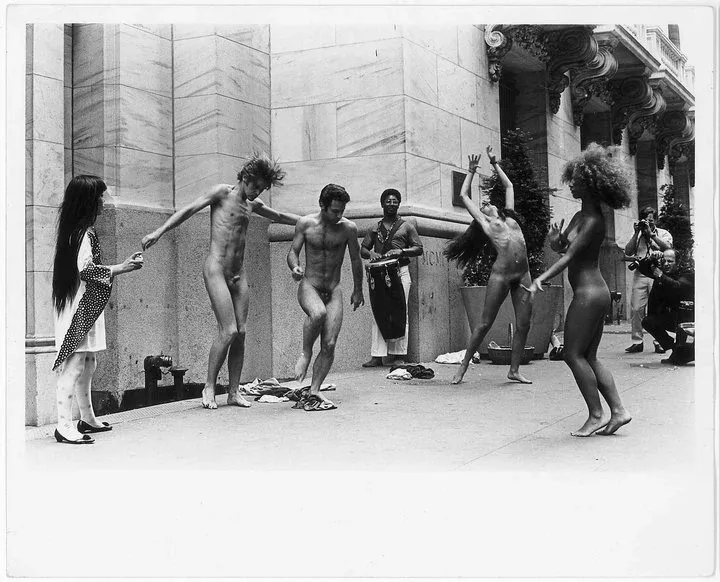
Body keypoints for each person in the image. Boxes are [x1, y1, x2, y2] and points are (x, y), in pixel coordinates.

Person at [141, 153, 299, 409]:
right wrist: (159, 231)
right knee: (228, 331)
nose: (257, 192)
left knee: (242, 332)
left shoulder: (253, 204)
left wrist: (311, 220)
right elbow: (188, 210)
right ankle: (209, 386)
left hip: (238, 273)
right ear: (246, 177)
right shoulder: (222, 193)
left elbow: (279, 216)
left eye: (261, 189)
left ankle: (234, 392)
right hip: (216, 269)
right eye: (256, 186)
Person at [523, 143, 633, 437]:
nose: (571, 184)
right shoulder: (579, 216)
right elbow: (567, 249)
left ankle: (596, 415)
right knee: (589, 356)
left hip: (589, 294)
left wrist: (540, 278)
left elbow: (570, 257)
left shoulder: (594, 220)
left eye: (577, 180)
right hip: (593, 292)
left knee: (572, 355)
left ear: (592, 184)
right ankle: (619, 411)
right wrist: (555, 241)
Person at [52, 175, 144, 444]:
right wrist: (121, 267)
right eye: (100, 197)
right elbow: (86, 270)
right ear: (88, 202)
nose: (103, 202)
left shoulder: (78, 231)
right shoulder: (82, 233)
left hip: (86, 304)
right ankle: (64, 426)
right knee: (74, 365)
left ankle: (87, 418)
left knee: (88, 362)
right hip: (80, 306)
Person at [444, 146, 533, 385]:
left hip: (523, 274)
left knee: (524, 324)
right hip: (501, 275)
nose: (487, 204)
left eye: (487, 203)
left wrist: (495, 164)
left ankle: (514, 370)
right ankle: (463, 367)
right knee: (484, 323)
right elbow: (464, 196)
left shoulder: (510, 216)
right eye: (483, 205)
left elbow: (509, 186)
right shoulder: (485, 223)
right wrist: (471, 172)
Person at [287, 184, 365, 411]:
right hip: (310, 285)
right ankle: (305, 352)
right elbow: (293, 252)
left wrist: (358, 290)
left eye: (342, 211)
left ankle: (315, 389)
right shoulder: (305, 224)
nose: (339, 215)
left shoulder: (348, 229)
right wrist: (295, 267)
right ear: (322, 205)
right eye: (334, 211)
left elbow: (356, 259)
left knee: (329, 344)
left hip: (333, 288)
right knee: (318, 313)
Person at [360, 188, 424, 367]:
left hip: (400, 271)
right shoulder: (374, 227)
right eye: (388, 201)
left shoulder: (407, 226)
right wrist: (371, 253)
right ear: (382, 204)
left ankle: (398, 356)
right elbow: (363, 249)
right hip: (379, 274)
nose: (391, 204)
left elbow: (419, 248)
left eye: (395, 201)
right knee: (378, 311)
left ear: (399, 204)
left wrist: (401, 251)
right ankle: (377, 355)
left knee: (400, 312)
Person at [624, 205, 673, 353]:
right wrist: (636, 233)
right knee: (636, 308)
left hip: (657, 274)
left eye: (651, 221)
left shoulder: (663, 233)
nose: (649, 223)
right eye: (646, 221)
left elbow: (668, 248)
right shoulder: (637, 234)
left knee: (657, 309)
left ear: (655, 220)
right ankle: (637, 341)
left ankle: (659, 342)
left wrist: (651, 235)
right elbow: (628, 251)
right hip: (640, 274)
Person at [640, 249, 695, 364]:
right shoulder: (662, 270)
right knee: (648, 321)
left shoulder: (688, 273)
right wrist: (651, 258)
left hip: (688, 319)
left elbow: (678, 287)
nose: (666, 264)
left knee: (681, 359)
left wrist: (661, 276)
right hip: (672, 316)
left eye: (670, 261)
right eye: (664, 261)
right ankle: (674, 348)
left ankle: (684, 352)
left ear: (677, 262)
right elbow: (643, 268)